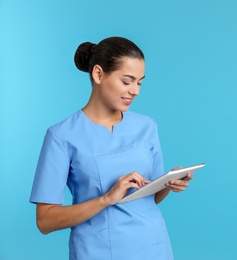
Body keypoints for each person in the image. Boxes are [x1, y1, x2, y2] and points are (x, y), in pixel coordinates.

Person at [29, 36, 193, 260]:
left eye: (140, 82)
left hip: (153, 246)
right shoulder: (61, 136)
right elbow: (45, 221)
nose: (135, 91)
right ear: (98, 74)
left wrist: (169, 183)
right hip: (98, 251)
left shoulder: (147, 126)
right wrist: (106, 199)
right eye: (127, 81)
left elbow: (149, 197)